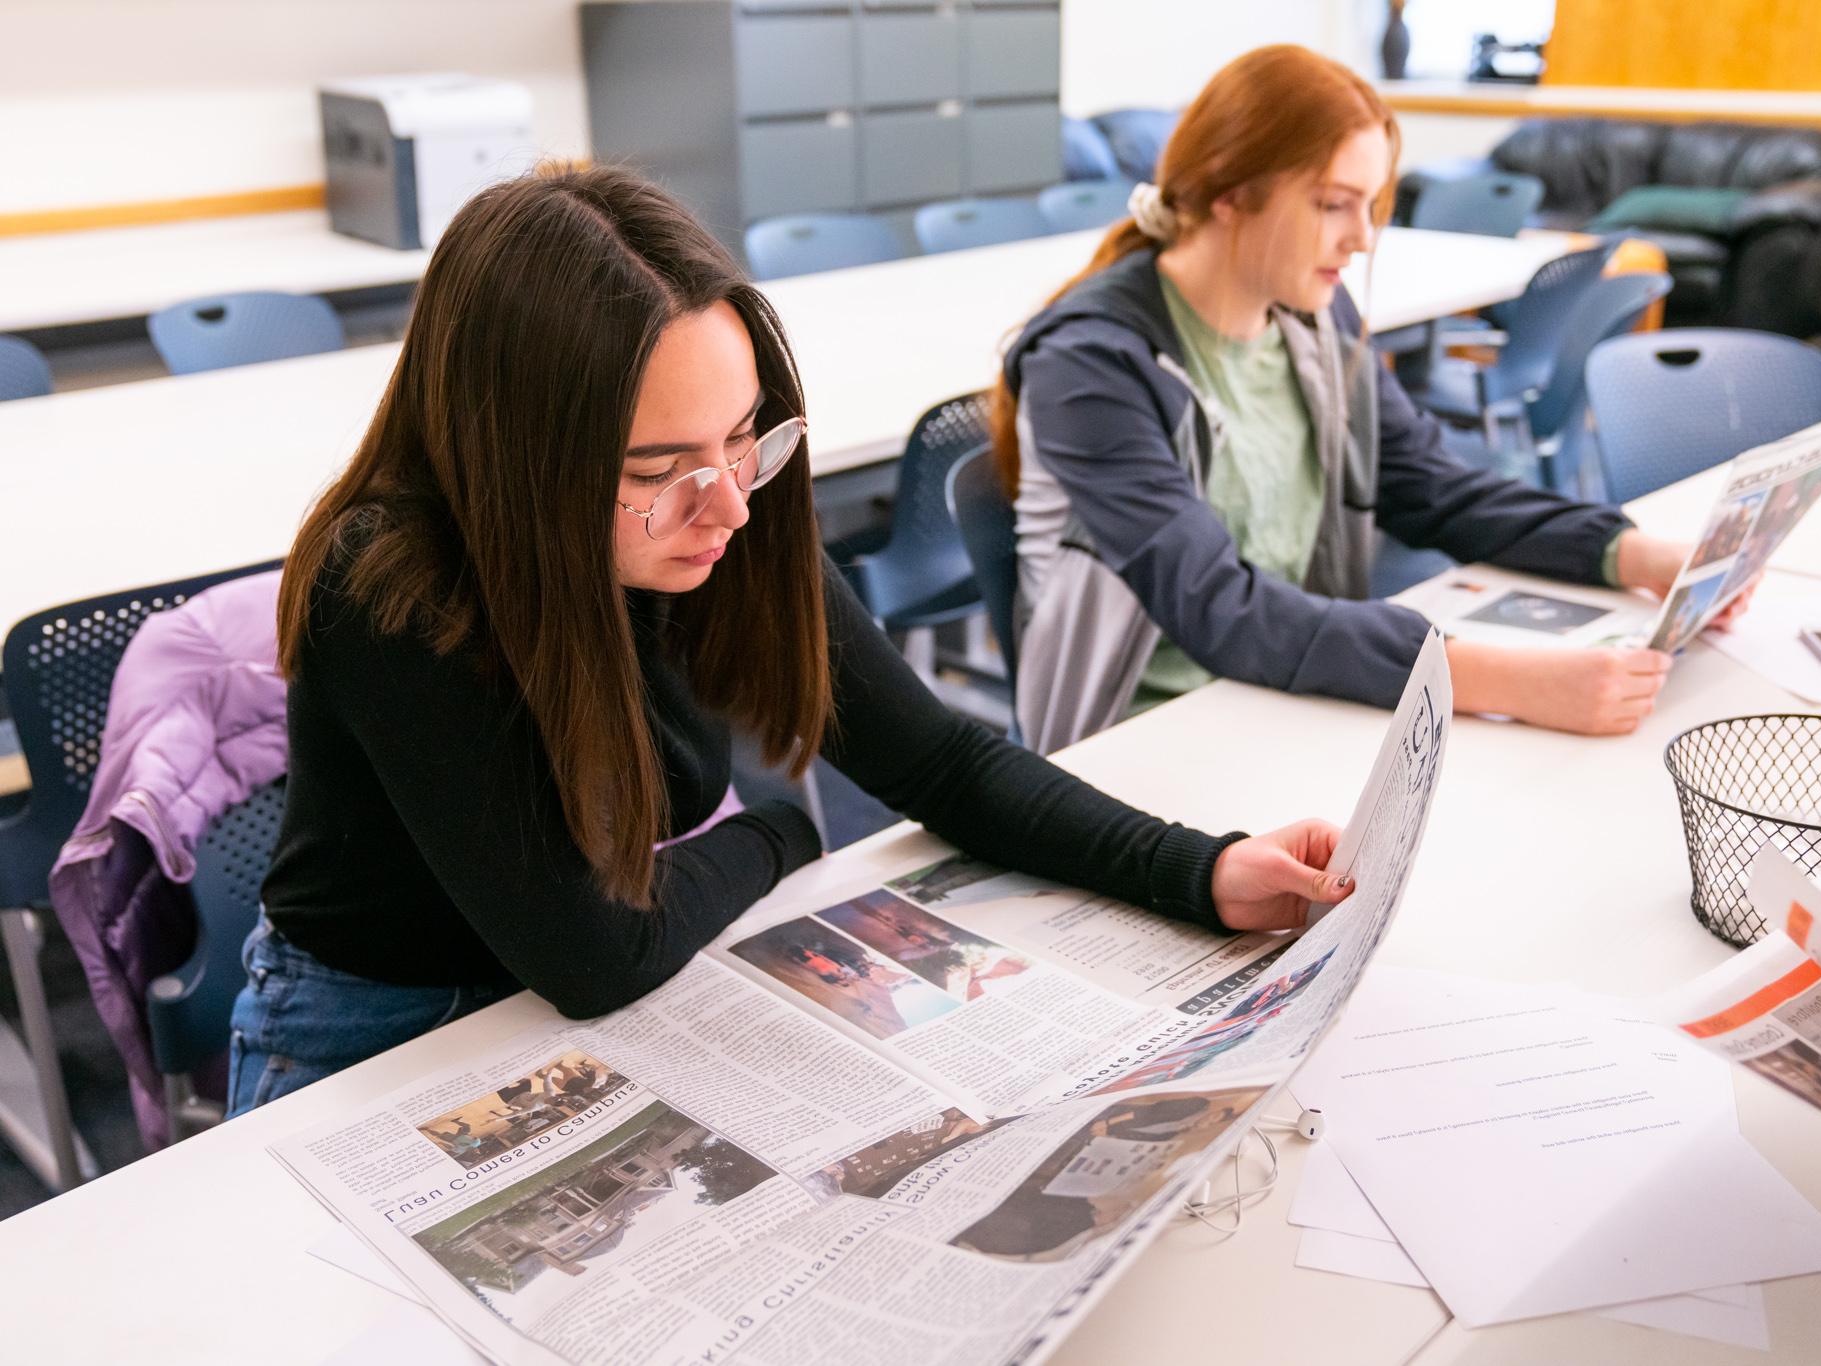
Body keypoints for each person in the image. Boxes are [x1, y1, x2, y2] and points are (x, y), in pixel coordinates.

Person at [226, 164, 1350, 1117]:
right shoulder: (394, 590)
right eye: (659, 471)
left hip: (596, 984)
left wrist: (1199, 868)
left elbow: (939, 760)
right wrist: (780, 832)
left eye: (741, 437)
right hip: (374, 1027)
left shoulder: (714, 517)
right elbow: (592, 953)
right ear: (517, 457)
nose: (727, 505)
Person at [992, 45, 1739, 752]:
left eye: (1370, 205)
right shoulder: (1090, 362)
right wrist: (1498, 680)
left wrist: (1630, 553)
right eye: (1332, 204)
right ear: (1230, 193)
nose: (1360, 239)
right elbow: (1217, 608)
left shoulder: (1314, 318)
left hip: (1300, 684)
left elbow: (1432, 486)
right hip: (1145, 735)